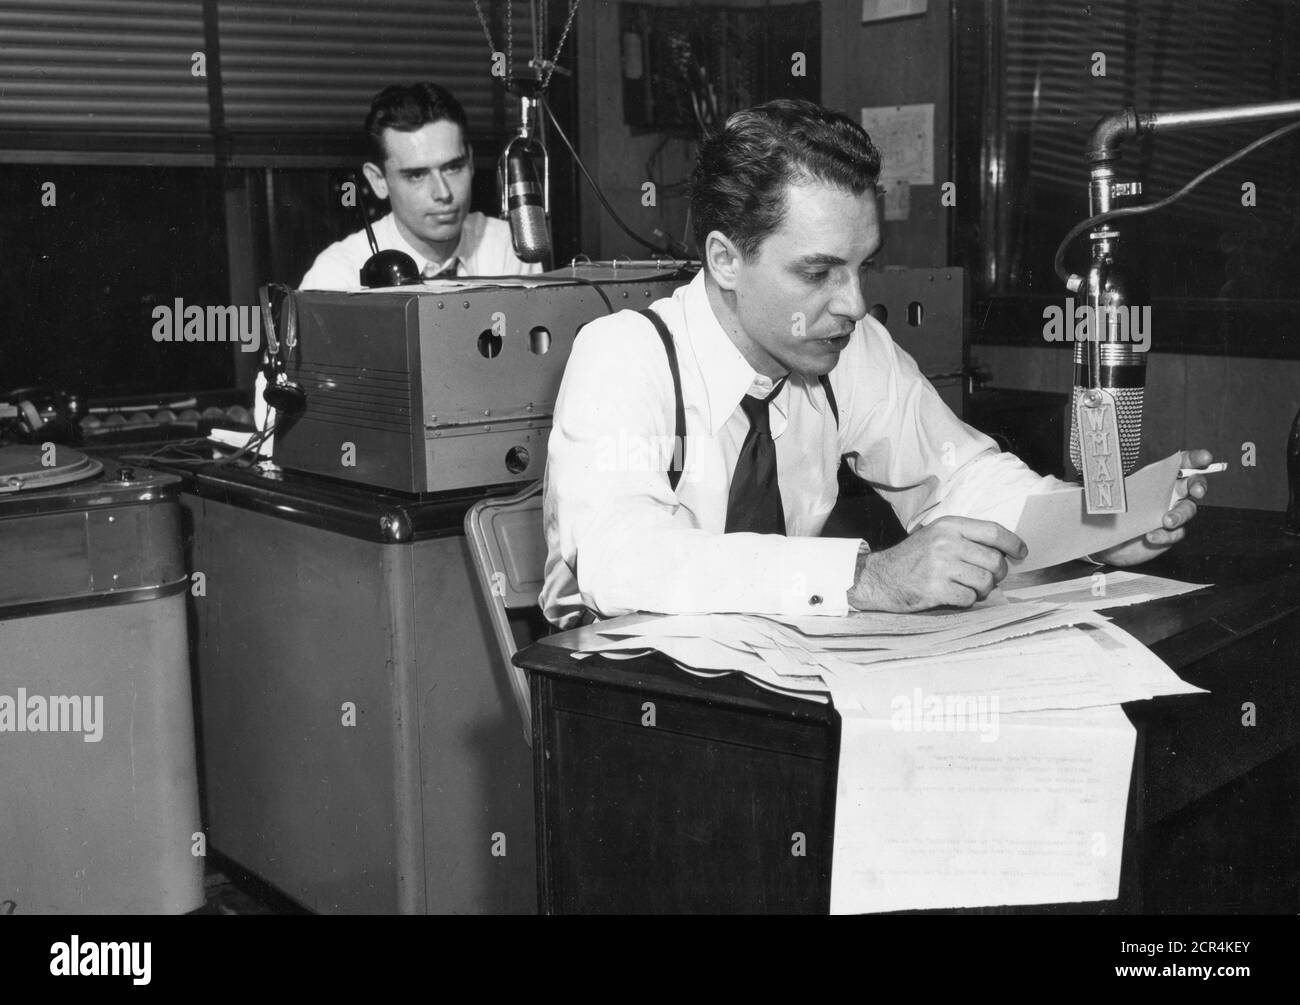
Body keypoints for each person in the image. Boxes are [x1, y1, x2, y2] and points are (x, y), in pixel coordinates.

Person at [540, 98, 1211, 629]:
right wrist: (867, 579)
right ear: (724, 260)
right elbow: (627, 559)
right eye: (819, 271)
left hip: (780, 679)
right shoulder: (624, 356)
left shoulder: (846, 350)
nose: (854, 303)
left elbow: (962, 476)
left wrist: (1100, 524)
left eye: (864, 267)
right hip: (632, 704)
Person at [299, 82, 543, 290]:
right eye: (416, 175)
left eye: (453, 167)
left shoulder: (509, 246)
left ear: (470, 162)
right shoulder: (339, 274)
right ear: (378, 180)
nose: (443, 193)